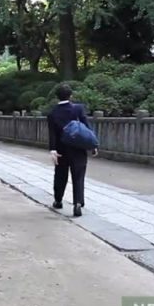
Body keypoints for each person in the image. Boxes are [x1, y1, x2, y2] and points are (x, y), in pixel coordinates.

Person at [46, 84, 97, 217]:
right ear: (71, 95)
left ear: (57, 96)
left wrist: (52, 150)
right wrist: (93, 145)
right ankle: (78, 203)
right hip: (78, 148)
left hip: (61, 148)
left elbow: (52, 134)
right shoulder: (78, 108)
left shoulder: (53, 113)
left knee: (60, 175)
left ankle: (58, 200)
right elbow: (86, 127)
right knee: (78, 176)